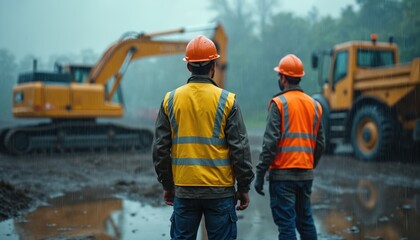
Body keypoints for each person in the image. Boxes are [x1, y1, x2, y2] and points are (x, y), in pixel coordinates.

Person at [152, 35, 254, 240]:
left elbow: (160, 149)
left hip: (184, 190)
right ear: (214, 65)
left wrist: (167, 185)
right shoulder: (228, 101)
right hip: (220, 192)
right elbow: (240, 149)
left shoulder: (170, 100)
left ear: (188, 67)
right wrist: (243, 187)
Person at [254, 54, 325, 239]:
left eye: (280, 76)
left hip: (283, 177)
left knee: (286, 224)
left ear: (284, 78)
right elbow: (320, 144)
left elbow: (270, 144)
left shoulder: (279, 104)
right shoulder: (315, 105)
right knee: (305, 221)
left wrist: (260, 174)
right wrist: (309, 165)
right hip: (305, 175)